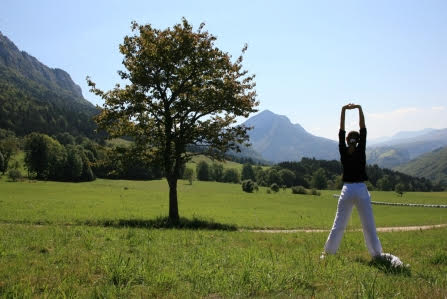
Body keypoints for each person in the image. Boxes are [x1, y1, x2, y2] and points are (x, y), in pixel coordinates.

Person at [321, 103, 382, 259]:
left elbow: (341, 131)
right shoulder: (361, 150)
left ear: (347, 140)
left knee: (338, 225)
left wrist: (343, 110)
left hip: (347, 190)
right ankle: (376, 255)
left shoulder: (343, 150)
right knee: (369, 226)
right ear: (359, 140)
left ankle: (328, 254)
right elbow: (363, 127)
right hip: (361, 190)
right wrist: (360, 108)